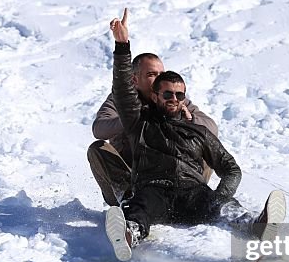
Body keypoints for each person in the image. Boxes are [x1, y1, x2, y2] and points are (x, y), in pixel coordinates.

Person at [101, 8, 285, 262]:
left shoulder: (197, 130)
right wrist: (122, 46)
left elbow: (231, 169)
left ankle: (257, 225)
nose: (174, 99)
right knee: (140, 206)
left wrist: (218, 198)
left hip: (192, 193)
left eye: (179, 95)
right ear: (155, 95)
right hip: (155, 191)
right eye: (167, 94)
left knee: (226, 207)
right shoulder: (140, 122)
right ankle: (129, 233)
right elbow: (122, 90)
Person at [88, 49, 218, 206]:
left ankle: (199, 197)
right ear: (134, 80)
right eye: (152, 75)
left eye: (161, 73)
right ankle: (128, 200)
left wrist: (190, 120)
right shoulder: (120, 99)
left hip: (175, 179)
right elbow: (99, 129)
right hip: (132, 179)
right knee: (98, 148)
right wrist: (131, 118)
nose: (160, 79)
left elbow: (212, 128)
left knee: (204, 142)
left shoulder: (173, 98)